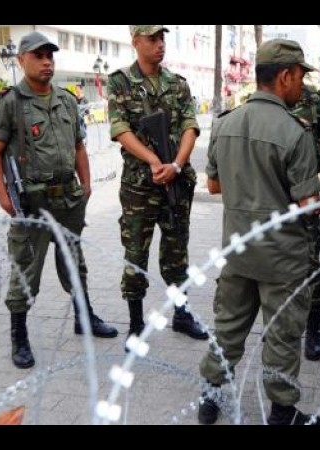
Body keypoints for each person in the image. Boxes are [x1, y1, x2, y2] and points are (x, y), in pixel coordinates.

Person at [197, 39, 320, 426]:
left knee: (228, 328)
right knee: (282, 336)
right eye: (300, 75)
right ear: (285, 76)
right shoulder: (295, 133)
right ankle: (283, 412)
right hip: (282, 260)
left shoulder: (224, 124)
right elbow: (307, 205)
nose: (302, 83)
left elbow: (214, 187)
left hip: (237, 250)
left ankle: (210, 399)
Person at [0, 31, 118, 369]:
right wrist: (4, 198)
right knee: (26, 269)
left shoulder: (67, 100)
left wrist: (86, 185)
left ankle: (83, 317)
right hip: (32, 202)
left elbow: (78, 147)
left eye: (50, 56)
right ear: (22, 60)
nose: (46, 62)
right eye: (38, 56)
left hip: (68, 199)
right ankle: (19, 336)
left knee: (74, 261)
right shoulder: (10, 103)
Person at [106, 25, 207, 343]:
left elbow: (191, 125)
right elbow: (120, 127)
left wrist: (176, 164)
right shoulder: (120, 81)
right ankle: (135, 323)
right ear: (135, 42)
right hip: (140, 187)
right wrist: (153, 160)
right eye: (152, 38)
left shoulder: (177, 84)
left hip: (175, 182)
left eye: (162, 38)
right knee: (135, 254)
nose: (159, 44)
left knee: (177, 253)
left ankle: (181, 314)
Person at [288, 83, 320, 361]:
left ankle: (314, 327)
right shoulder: (265, 101)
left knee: (309, 263)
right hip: (272, 197)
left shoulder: (317, 102)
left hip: (306, 194)